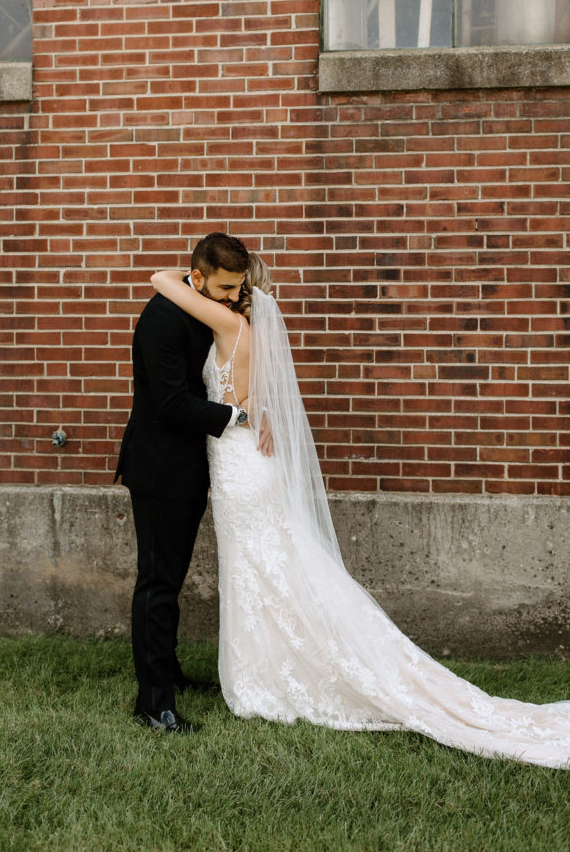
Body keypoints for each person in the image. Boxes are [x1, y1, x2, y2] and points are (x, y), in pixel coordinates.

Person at [150, 252, 570, 767]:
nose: (229, 295)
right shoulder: (250, 330)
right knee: (271, 566)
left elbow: (161, 280)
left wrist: (193, 279)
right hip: (249, 461)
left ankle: (267, 677)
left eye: (234, 289)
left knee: (257, 567)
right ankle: (272, 665)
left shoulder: (228, 321)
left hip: (239, 466)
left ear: (242, 292)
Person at [115, 233, 272, 733]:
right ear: (198, 278)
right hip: (161, 468)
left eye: (237, 289)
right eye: (225, 288)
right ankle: (152, 703)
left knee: (171, 580)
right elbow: (171, 404)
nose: (232, 298)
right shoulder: (162, 318)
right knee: (157, 583)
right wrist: (241, 416)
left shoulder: (199, 301)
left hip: (194, 468)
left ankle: (171, 673)